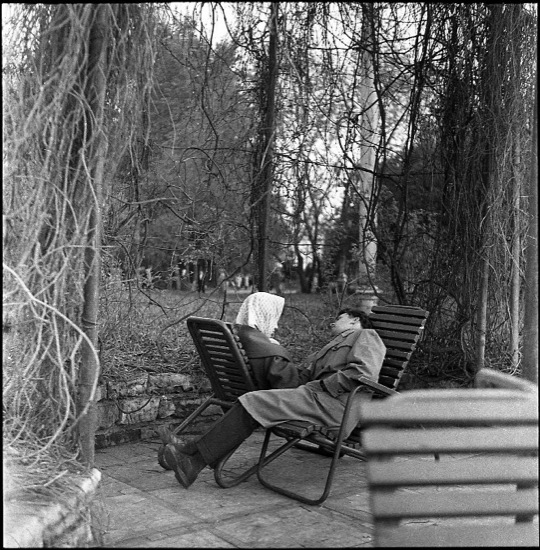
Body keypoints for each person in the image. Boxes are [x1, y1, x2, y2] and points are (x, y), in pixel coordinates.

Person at [163, 306, 387, 489]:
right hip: (314, 398)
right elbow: (302, 376)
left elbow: (364, 374)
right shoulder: (329, 348)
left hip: (334, 406)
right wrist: (272, 349)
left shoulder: (367, 335)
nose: (332, 322)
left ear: (354, 320)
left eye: (339, 318)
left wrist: (322, 385)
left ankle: (193, 458)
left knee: (254, 401)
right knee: (255, 400)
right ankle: (191, 453)